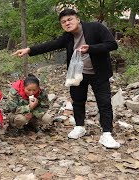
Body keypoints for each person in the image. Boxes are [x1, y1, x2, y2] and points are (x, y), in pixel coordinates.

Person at [12, 9, 120, 148]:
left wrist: (91, 48)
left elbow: (112, 44)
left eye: (70, 19)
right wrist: (29, 50)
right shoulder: (68, 37)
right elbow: (51, 45)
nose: (67, 23)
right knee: (78, 101)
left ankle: (106, 134)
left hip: (99, 73)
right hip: (77, 74)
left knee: (104, 102)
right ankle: (79, 127)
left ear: (78, 19)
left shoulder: (95, 28)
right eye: (63, 22)